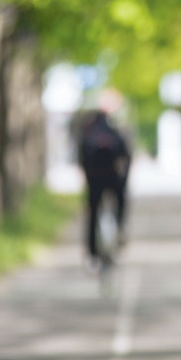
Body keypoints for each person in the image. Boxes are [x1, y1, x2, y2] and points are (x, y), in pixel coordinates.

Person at [77, 106, 131, 268]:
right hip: (113, 178)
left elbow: (82, 160)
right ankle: (120, 229)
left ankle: (92, 253)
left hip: (94, 180)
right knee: (120, 201)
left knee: (92, 213)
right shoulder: (114, 132)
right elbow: (126, 156)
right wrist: (124, 179)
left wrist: (87, 179)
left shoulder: (88, 134)